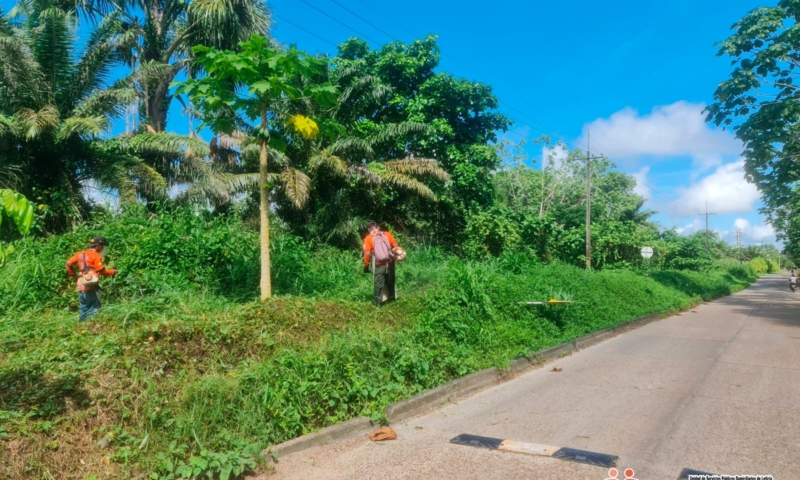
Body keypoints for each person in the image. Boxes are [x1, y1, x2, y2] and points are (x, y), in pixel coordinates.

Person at [66, 236, 117, 321]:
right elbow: (102, 271)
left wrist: (74, 276)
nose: (103, 249)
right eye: (103, 247)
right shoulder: (96, 255)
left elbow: (68, 264)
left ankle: (82, 326)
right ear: (98, 245)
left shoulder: (80, 254)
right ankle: (91, 327)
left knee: (84, 309)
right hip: (90, 285)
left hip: (80, 285)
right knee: (93, 309)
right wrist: (113, 272)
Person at [362, 221, 398, 307]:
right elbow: (395, 246)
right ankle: (392, 299)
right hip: (390, 262)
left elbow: (367, 254)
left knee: (378, 283)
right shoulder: (387, 234)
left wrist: (366, 266)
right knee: (390, 280)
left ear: (369, 229)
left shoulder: (368, 238)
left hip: (379, 263)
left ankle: (377, 303)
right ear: (377, 227)